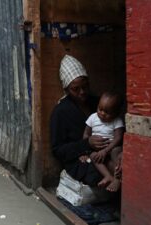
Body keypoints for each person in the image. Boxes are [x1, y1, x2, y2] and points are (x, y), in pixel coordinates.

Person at [50, 55, 111, 186]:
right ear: (66, 89)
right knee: (97, 173)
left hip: (106, 151)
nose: (82, 92)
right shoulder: (61, 112)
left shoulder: (98, 103)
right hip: (78, 160)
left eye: (85, 86)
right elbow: (58, 150)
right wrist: (86, 145)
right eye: (75, 89)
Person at [83, 92, 124, 192]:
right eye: (100, 109)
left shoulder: (117, 121)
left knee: (117, 152)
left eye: (107, 112)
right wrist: (85, 150)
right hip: (97, 149)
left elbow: (118, 138)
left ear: (116, 113)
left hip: (111, 148)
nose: (102, 113)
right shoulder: (93, 118)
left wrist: (106, 150)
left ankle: (118, 178)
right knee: (93, 156)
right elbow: (85, 135)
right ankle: (108, 176)